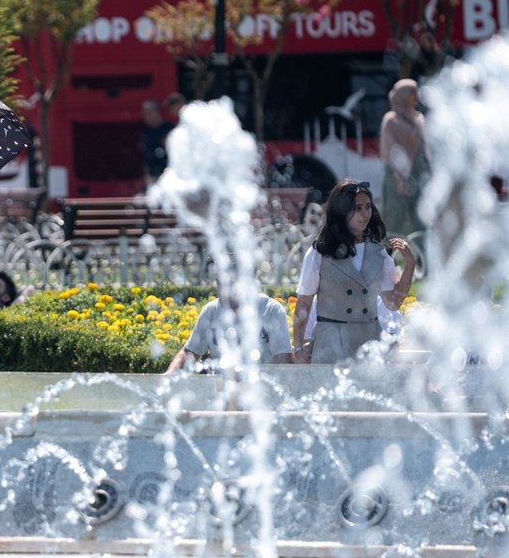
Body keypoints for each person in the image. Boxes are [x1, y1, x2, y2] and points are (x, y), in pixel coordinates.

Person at [292, 179, 416, 364]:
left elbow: (393, 303)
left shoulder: (378, 253)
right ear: (342, 211)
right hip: (330, 342)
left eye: (367, 207)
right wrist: (299, 348)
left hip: (369, 343)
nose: (365, 214)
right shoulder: (319, 252)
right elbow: (304, 302)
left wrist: (410, 264)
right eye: (357, 208)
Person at [165, 289, 293, 374]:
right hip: (220, 391)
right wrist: (168, 377)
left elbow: (283, 360)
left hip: (260, 393)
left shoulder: (270, 310)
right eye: (220, 281)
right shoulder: (210, 311)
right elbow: (190, 352)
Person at [379, 79, 429, 240]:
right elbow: (391, 149)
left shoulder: (419, 119)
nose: (416, 96)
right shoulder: (391, 120)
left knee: (421, 220)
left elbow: (425, 148)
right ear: (402, 96)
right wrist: (400, 177)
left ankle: (425, 261)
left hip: (418, 174)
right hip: (397, 177)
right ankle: (388, 260)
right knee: (394, 220)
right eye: (411, 92)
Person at [140, 100, 172, 188]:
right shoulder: (145, 131)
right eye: (145, 113)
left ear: (157, 112)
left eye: (149, 113)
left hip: (167, 173)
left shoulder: (168, 129)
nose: (146, 116)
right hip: (152, 174)